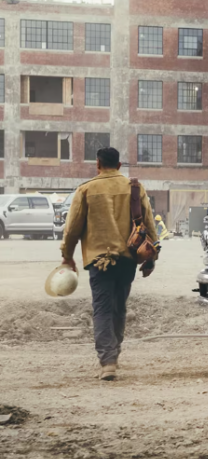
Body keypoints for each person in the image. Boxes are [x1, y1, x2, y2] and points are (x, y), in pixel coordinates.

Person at [60, 148, 158, 381]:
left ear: (98, 164)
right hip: (127, 259)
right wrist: (152, 257)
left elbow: (72, 228)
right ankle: (114, 353)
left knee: (102, 309)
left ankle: (108, 362)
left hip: (99, 261)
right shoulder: (135, 188)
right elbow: (149, 225)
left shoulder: (86, 189)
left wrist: (67, 256)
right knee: (119, 307)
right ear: (119, 164)